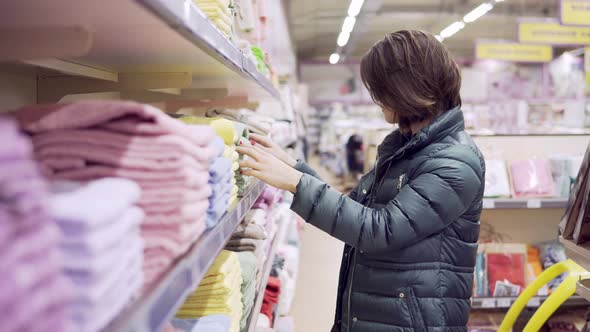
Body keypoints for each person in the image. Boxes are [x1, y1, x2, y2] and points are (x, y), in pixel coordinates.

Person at [237, 30, 485, 332]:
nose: (375, 98)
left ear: (405, 89)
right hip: (384, 312)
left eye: (380, 89)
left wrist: (297, 184)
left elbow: (379, 230)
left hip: (411, 321)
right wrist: (294, 167)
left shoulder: (453, 163)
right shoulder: (407, 148)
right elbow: (356, 209)